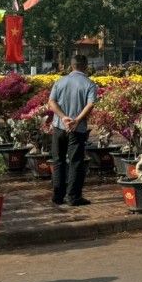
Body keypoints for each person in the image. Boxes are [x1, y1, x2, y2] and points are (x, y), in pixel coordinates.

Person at [49, 54, 97, 206]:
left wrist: (63, 117)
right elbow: (90, 105)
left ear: (71, 66)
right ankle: (73, 197)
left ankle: (58, 196)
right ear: (86, 66)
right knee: (76, 162)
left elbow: (51, 102)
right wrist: (76, 120)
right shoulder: (89, 84)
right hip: (77, 129)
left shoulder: (60, 81)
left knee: (58, 161)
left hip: (59, 127)